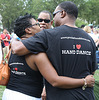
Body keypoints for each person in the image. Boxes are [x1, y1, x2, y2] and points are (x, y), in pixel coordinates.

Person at [11, 1, 97, 100]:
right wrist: (84, 81)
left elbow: (17, 49)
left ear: (62, 13)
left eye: (54, 15)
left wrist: (13, 40)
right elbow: (93, 70)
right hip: (86, 95)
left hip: (60, 96)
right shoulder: (89, 38)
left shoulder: (48, 35)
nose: (53, 19)